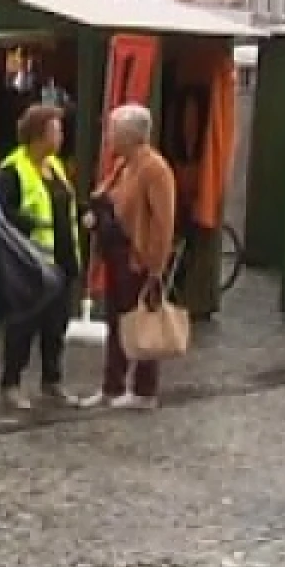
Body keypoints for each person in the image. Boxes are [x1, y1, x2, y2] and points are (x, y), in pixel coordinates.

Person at [77, 103, 175, 411]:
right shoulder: (123, 165)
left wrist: (156, 267)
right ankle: (112, 386)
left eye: (113, 130)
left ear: (131, 134)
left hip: (139, 259)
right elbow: (106, 196)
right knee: (116, 322)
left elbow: (163, 221)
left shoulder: (154, 168)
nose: (108, 136)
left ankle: (145, 391)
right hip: (116, 255)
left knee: (141, 323)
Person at [0, 102, 82, 411]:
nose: (61, 135)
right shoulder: (12, 170)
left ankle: (52, 380)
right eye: (56, 130)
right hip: (30, 262)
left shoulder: (55, 166)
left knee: (56, 325)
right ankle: (11, 383)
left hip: (62, 259)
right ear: (38, 134)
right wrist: (27, 224)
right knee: (23, 324)